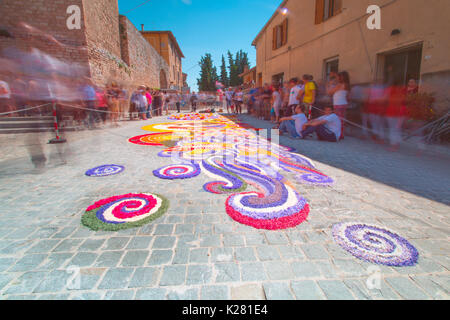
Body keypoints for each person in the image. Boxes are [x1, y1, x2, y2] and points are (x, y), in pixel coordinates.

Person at [327, 71, 350, 140]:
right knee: (341, 120)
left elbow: (329, 92)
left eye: (338, 76)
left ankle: (339, 134)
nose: (337, 78)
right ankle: (341, 134)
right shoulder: (346, 84)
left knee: (338, 120)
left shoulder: (340, 84)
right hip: (343, 103)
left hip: (338, 104)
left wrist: (329, 85)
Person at [385, 84, 407, 151]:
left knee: (393, 130)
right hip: (396, 113)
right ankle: (396, 144)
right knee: (396, 129)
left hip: (395, 113)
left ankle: (394, 146)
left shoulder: (394, 95)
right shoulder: (401, 95)